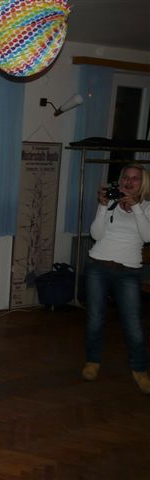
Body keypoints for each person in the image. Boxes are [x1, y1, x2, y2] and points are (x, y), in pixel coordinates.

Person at [82, 163, 150, 394]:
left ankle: (139, 370)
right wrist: (102, 207)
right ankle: (92, 362)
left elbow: (147, 236)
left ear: (142, 183)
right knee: (94, 318)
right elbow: (96, 234)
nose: (129, 182)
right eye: (126, 177)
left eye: (135, 178)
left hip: (128, 271)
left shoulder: (147, 207)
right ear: (120, 181)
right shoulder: (110, 203)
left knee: (133, 323)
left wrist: (136, 207)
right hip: (98, 267)